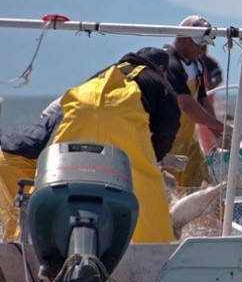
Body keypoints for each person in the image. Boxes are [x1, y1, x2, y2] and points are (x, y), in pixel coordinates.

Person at [51, 47, 181, 243]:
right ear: (162, 69)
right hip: (120, 115)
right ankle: (151, 245)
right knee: (145, 189)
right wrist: (154, 159)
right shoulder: (158, 82)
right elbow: (167, 127)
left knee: (63, 176)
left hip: (79, 112)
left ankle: (43, 236)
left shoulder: (102, 73)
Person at [165, 15, 231, 188]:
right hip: (164, 144)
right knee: (170, 196)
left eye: (206, 44)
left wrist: (217, 132)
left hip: (188, 144)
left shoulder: (197, 65)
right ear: (185, 39)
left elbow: (202, 100)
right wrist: (221, 126)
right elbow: (187, 106)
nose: (204, 48)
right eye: (200, 43)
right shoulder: (169, 64)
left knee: (206, 192)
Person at [0, 104, 61, 241]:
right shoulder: (89, 95)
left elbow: (48, 111)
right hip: (16, 156)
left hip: (29, 149)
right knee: (19, 228)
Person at [196, 49, 224, 153]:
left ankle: (210, 149)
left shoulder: (210, 62)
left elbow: (219, 77)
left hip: (206, 97)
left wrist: (209, 89)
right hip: (190, 99)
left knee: (206, 124)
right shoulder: (188, 63)